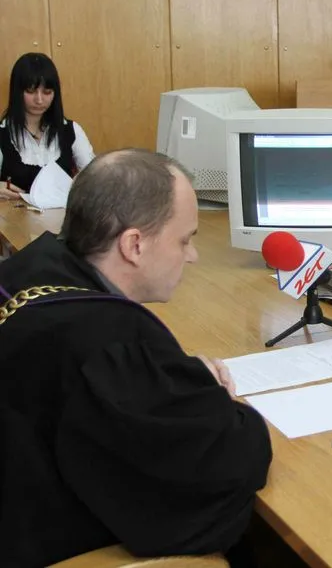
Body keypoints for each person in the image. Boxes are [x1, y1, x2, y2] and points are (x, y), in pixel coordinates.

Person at [0, 149, 272, 567]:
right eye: (184, 240)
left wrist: (172, 379)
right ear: (134, 245)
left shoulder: (31, 267)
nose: (193, 255)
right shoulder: (107, 342)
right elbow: (224, 462)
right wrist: (213, 398)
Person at [0, 52, 95, 200]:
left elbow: (95, 176)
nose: (39, 100)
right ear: (17, 92)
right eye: (31, 91)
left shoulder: (71, 130)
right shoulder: (3, 133)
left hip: (61, 212)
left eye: (47, 92)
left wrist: (83, 183)